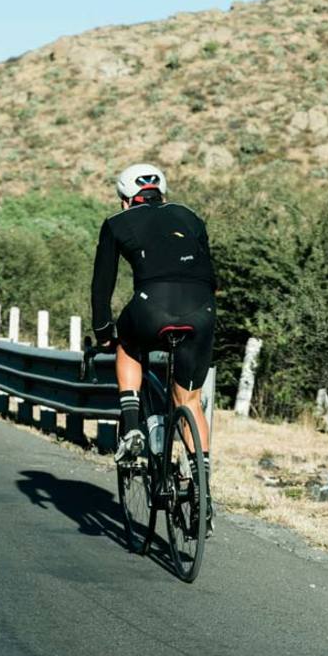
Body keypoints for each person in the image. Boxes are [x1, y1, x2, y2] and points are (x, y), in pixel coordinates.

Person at [90, 163, 216, 528]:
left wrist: (103, 331)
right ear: (163, 191)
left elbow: (102, 286)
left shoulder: (116, 223)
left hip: (151, 306)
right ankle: (201, 489)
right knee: (190, 401)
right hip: (201, 308)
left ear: (127, 198)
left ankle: (131, 424)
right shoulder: (190, 217)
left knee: (126, 345)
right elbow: (212, 275)